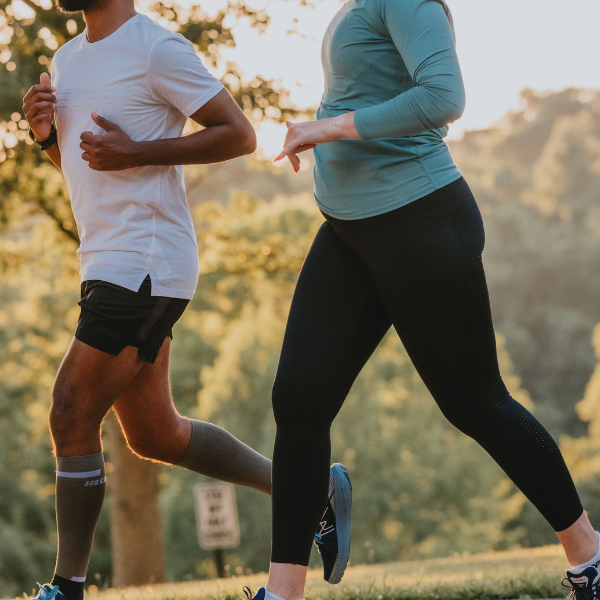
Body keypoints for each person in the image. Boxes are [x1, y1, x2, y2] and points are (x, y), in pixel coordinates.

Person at [242, 2, 600, 600]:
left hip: (421, 222)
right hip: (348, 230)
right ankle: (283, 593)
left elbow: (443, 98)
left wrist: (327, 128)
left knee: (475, 403)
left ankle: (588, 554)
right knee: (300, 399)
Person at [21, 0, 350, 598]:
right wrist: (44, 138)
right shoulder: (65, 61)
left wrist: (140, 151)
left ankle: (65, 589)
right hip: (104, 261)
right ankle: (309, 490)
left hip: (145, 262)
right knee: (155, 435)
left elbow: (240, 134)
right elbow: (89, 167)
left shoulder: (157, 47)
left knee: (71, 409)